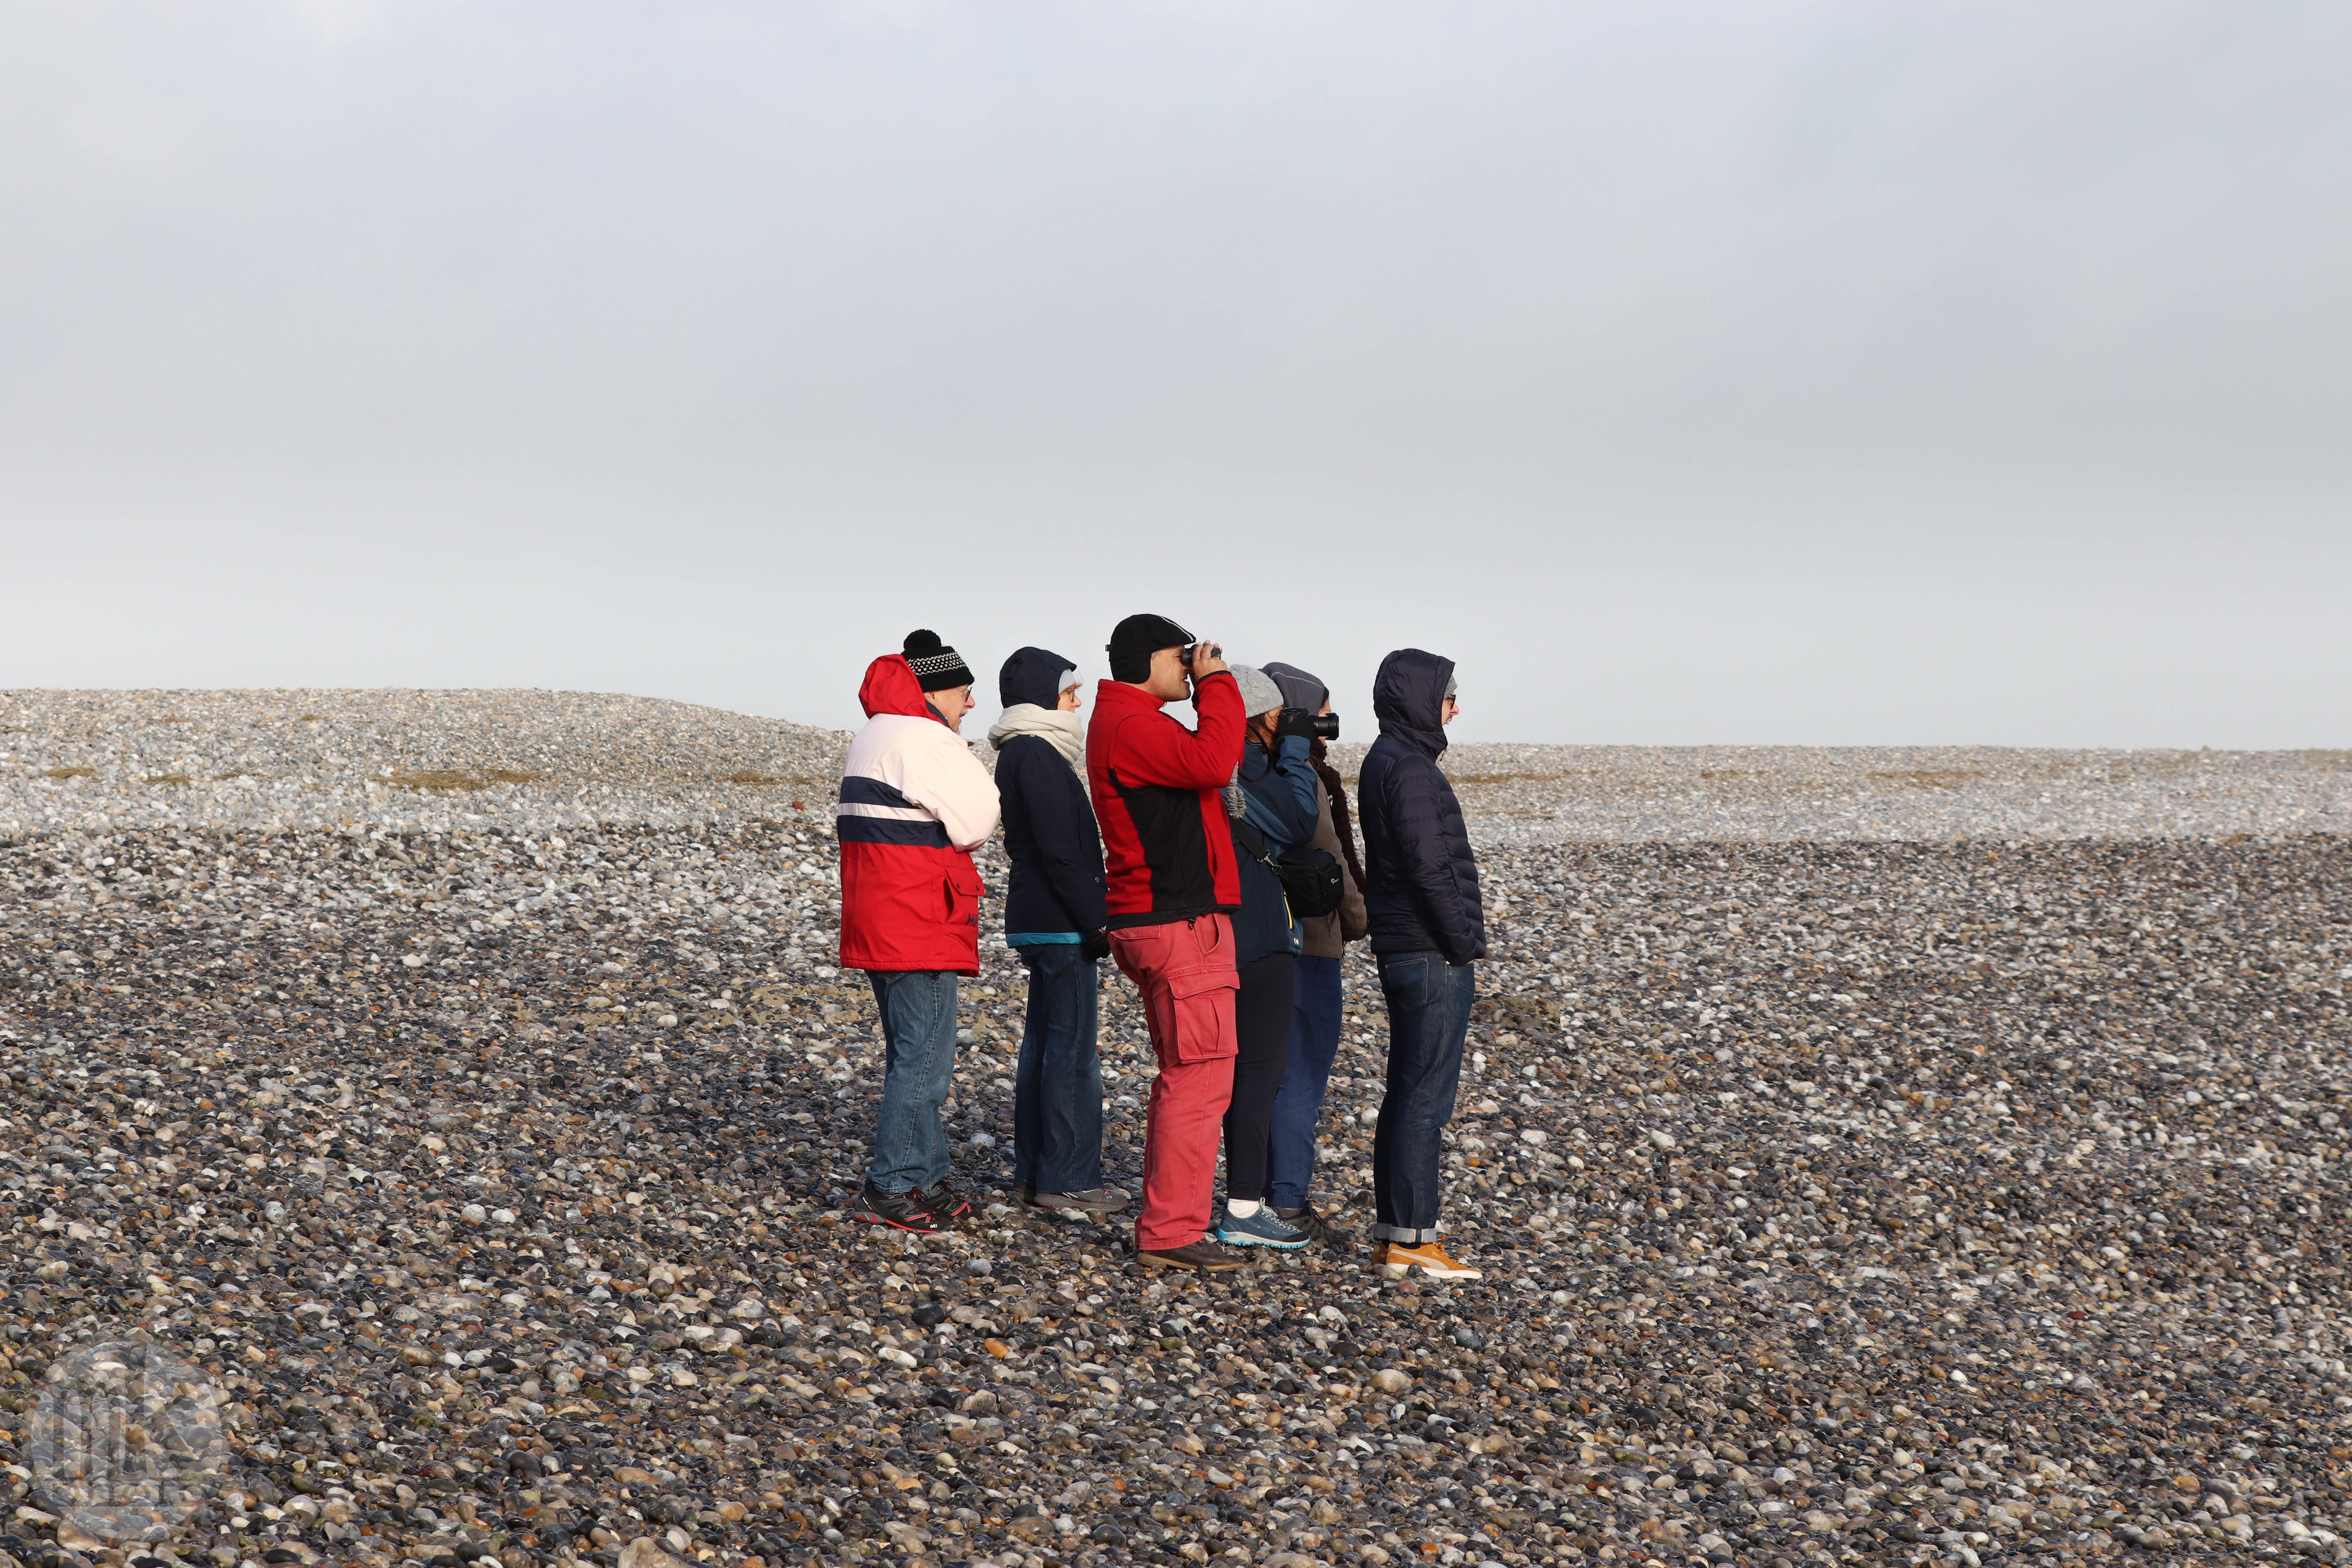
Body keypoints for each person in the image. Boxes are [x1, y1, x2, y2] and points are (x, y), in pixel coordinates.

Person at [1089, 613, 1249, 1272]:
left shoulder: (1129, 722)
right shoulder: (1131, 724)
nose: (1190, 665)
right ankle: (1171, 1229)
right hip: (1177, 923)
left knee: (1189, 1074)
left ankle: (1170, 1223)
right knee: (1199, 1078)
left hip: (1161, 918)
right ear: (1151, 657)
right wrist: (1219, 686)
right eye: (1182, 656)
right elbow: (1214, 761)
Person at [838, 629, 1002, 1234]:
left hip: (879, 918)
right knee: (925, 1059)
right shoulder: (926, 738)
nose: (971, 704)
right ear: (934, 691)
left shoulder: (874, 733)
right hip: (919, 919)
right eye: (964, 691)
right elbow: (979, 818)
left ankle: (927, 1176)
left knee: (911, 1052)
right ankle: (894, 1185)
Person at [1357, 647, 1485, 1280]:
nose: (1456, 708)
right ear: (1422, 700)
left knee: (1409, 1093)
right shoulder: (1407, 768)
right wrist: (1463, 941)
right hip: (1427, 951)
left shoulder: (1392, 759)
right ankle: (1413, 1239)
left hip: (1410, 946)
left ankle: (1397, 1234)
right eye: (1449, 696)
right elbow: (1428, 865)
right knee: (1424, 1100)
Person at [987, 646, 1125, 1218]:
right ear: (1045, 697)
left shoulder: (1023, 751)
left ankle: (1036, 1171)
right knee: (1070, 1055)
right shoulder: (1038, 753)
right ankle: (1067, 1178)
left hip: (1039, 919)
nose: (1080, 701)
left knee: (1044, 1047)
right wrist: (1097, 918)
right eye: (1071, 692)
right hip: (1060, 923)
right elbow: (1060, 848)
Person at [1209, 665, 1321, 1249]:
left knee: (1206, 1074)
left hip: (1208, 933)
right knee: (1257, 1074)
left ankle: (1189, 1199)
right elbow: (1301, 822)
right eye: (1281, 718)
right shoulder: (1245, 765)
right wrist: (1296, 753)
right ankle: (1244, 1209)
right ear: (1259, 718)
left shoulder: (1201, 761)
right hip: (1259, 938)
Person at [1257, 661, 1368, 1244]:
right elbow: (1331, 857)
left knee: (1264, 1074)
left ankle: (1255, 1196)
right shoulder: (1306, 778)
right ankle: (1288, 1201)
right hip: (1312, 941)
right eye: (1320, 711)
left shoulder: (1248, 772)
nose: (1328, 721)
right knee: (1301, 1076)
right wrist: (1359, 920)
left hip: (1261, 942)